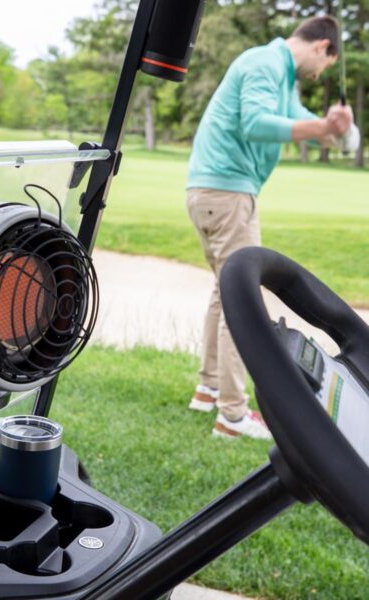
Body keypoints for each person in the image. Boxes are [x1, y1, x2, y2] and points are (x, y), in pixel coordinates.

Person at [186, 16, 354, 440]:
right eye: (325, 65)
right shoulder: (264, 63)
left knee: (222, 294)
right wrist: (321, 127)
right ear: (322, 48)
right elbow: (256, 124)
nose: (321, 75)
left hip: (214, 192)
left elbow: (303, 123)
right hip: (228, 195)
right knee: (242, 301)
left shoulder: (280, 75)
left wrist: (339, 131)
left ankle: (208, 390)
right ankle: (232, 415)